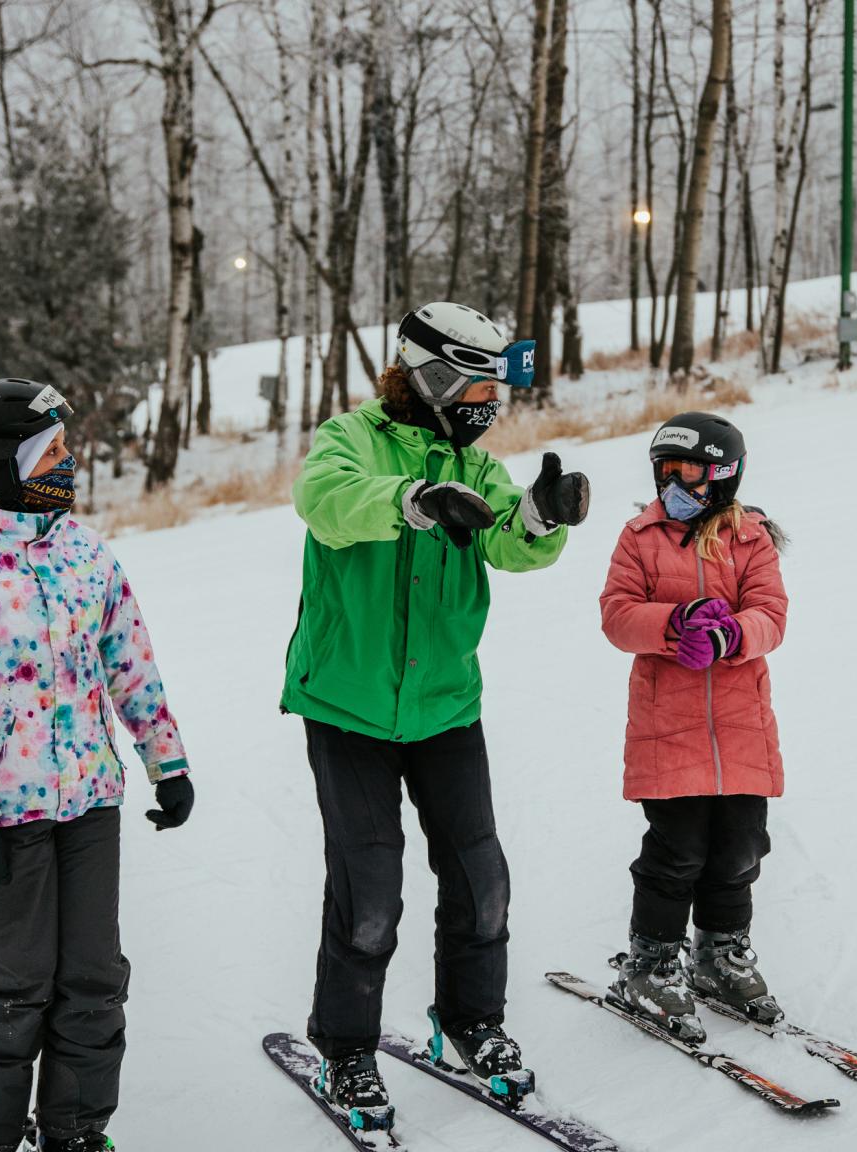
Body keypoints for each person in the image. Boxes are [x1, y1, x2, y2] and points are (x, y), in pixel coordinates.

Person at [280, 302, 591, 1133]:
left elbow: (507, 546)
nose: (490, 399)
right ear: (431, 375)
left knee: (481, 878)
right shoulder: (350, 438)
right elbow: (326, 503)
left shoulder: (478, 465)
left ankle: (473, 1021)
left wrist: (540, 515)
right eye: (478, 381)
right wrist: (416, 500)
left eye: (498, 383)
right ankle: (345, 1047)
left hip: (446, 703)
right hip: (347, 708)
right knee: (371, 890)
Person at [0, 378, 196, 1152]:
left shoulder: (83, 551)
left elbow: (129, 660)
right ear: (5, 465)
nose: (71, 460)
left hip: (92, 804)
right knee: (15, 985)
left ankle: (74, 1129)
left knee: (95, 979)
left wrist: (165, 759)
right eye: (54, 450)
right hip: (7, 817)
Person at [598, 411, 788, 1046]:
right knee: (676, 851)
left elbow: (771, 614)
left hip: (740, 725)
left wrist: (734, 632)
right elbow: (618, 616)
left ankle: (720, 956)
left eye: (691, 473)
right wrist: (675, 622)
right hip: (667, 728)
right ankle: (650, 965)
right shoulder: (639, 536)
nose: (676, 484)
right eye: (666, 472)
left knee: (738, 850)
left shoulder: (750, 538)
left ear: (726, 476)